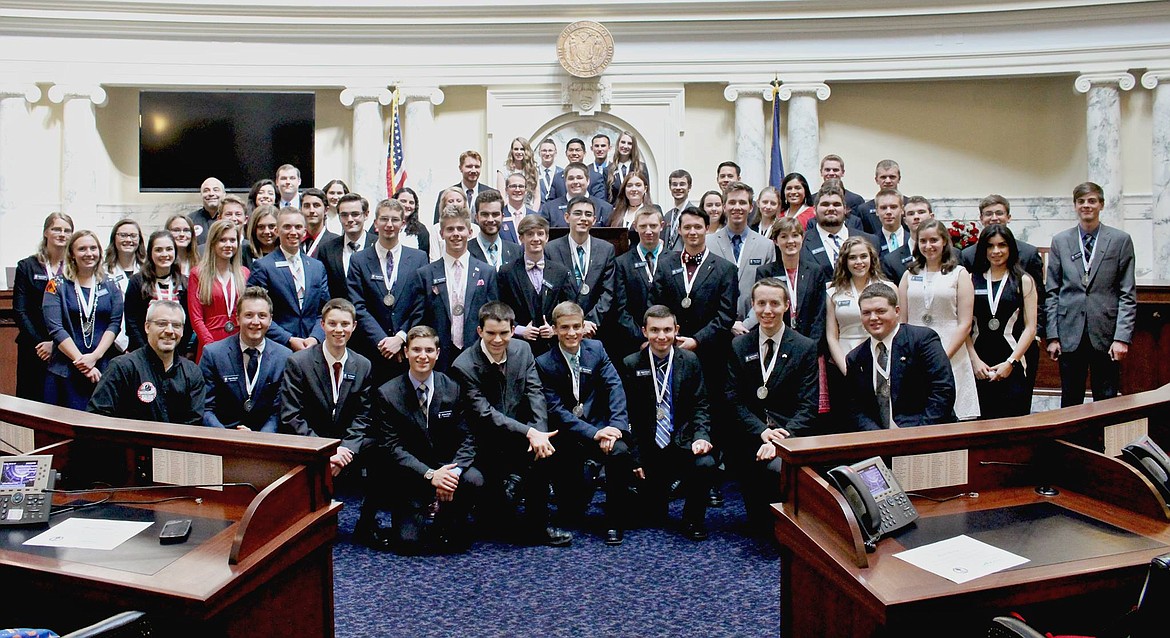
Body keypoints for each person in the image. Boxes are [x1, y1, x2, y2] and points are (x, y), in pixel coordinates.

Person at [449, 301, 572, 547]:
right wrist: (530, 432)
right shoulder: (463, 366)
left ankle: (539, 526)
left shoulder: (523, 350)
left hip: (519, 438)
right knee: (497, 522)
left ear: (513, 329)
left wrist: (540, 434)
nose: (498, 339)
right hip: (484, 445)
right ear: (480, 332)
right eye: (491, 333)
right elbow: (484, 414)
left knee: (545, 453)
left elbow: (535, 392)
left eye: (504, 333)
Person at [370, 325, 482, 554]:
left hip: (447, 470)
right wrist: (431, 475)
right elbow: (392, 447)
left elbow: (468, 439)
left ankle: (448, 517)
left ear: (438, 353)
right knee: (408, 543)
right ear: (406, 352)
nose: (423, 356)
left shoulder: (453, 388)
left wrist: (452, 474)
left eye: (429, 350)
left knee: (474, 479)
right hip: (412, 475)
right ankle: (420, 512)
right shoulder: (387, 394)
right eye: (417, 349)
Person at [536, 302, 633, 545]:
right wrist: (595, 433)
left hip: (602, 429)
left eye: (576, 327)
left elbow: (615, 387)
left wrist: (616, 429)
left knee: (619, 452)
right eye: (565, 327)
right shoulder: (544, 363)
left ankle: (614, 521)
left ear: (584, 327)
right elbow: (556, 411)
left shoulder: (597, 349)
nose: (571, 333)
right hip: (568, 434)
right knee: (571, 513)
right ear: (556, 330)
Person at [726, 278, 818, 528]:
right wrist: (762, 432)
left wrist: (780, 439)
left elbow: (808, 406)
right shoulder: (739, 345)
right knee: (756, 521)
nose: (768, 310)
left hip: (790, 434)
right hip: (751, 431)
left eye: (775, 303)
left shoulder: (804, 347)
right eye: (762, 303)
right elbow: (733, 399)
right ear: (753, 306)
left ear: (787, 305)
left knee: (777, 470)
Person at [621, 305, 715, 540]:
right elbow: (627, 414)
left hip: (681, 441)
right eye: (654, 330)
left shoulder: (690, 360)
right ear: (644, 331)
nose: (661, 336)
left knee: (705, 463)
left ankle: (693, 520)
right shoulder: (631, 363)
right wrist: (635, 457)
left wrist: (701, 436)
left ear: (676, 330)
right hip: (648, 446)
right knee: (652, 514)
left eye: (666, 330)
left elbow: (701, 405)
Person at [1045, 181, 1136, 407]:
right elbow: (1052, 291)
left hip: (1105, 333)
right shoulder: (1061, 241)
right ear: (1075, 206)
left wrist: (1121, 338)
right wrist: (1053, 336)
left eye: (1092, 201)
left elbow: (1127, 293)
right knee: (1070, 399)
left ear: (1101, 205)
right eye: (1081, 201)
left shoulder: (1119, 240)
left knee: (1106, 399)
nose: (1087, 206)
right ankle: (1070, 442)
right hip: (1069, 333)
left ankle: (1105, 442)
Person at [280, 298, 374, 479]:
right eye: (332, 323)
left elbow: (363, 416)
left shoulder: (363, 365)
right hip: (310, 445)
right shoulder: (299, 363)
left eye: (345, 324)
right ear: (322, 325)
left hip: (346, 449)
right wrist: (327, 453)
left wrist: (345, 449)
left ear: (354, 326)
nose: (339, 330)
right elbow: (291, 416)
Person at [899, 219, 979, 420]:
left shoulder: (959, 274)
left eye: (933, 240)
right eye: (923, 241)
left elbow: (965, 323)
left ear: (944, 241)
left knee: (955, 413)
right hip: (917, 352)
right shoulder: (909, 274)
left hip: (951, 348)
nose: (928, 246)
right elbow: (903, 319)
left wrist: (942, 357)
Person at [845, 283, 956, 429]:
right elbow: (855, 408)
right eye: (866, 313)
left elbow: (943, 390)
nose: (873, 318)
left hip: (928, 435)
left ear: (897, 311)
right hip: (880, 442)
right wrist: (876, 437)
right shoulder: (856, 358)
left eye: (880, 311)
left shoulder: (922, 340)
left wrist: (920, 436)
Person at [404, 204, 499, 371]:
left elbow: (492, 318)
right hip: (438, 359)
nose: (456, 234)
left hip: (477, 356)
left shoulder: (487, 272)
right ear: (442, 233)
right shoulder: (425, 274)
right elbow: (419, 319)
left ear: (470, 232)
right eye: (450, 229)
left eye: (461, 229)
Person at [348, 199, 429, 386]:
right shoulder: (358, 260)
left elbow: (421, 305)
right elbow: (357, 306)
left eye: (395, 219)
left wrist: (401, 338)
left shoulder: (419, 258)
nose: (389, 224)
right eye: (384, 219)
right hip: (371, 351)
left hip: (407, 351)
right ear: (375, 223)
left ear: (403, 224)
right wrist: (383, 342)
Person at [87, 300, 205, 424]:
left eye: (176, 325)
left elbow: (194, 422)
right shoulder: (122, 368)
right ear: (147, 327)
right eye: (162, 324)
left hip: (176, 443)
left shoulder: (192, 373)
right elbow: (97, 415)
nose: (170, 330)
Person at [43, 231, 124, 410]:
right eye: (82, 249)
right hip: (65, 369)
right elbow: (55, 327)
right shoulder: (56, 285)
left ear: (100, 252)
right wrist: (82, 362)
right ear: (72, 254)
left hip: (103, 367)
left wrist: (94, 357)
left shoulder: (111, 284)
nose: (89, 253)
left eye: (93, 248)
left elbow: (115, 323)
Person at [969, 225, 1040, 418]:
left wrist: (1011, 362)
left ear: (1010, 248)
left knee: (1013, 422)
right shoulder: (970, 279)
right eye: (990, 246)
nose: (996, 251)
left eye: (1002, 245)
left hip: (1012, 360)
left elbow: (1031, 328)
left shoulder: (1024, 281)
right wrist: (975, 361)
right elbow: (965, 326)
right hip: (978, 363)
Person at [199, 286, 292, 432]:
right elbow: (205, 408)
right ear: (237, 318)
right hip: (222, 438)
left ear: (270, 319)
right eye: (248, 315)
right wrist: (227, 437)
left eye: (262, 316)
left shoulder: (284, 357)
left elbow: (278, 412)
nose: (255, 322)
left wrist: (258, 439)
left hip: (266, 442)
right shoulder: (213, 354)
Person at [960, 194, 1047, 339]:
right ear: (981, 219)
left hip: (1021, 335)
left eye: (999, 213)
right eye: (988, 214)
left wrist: (1036, 334)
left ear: (1009, 217)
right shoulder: (967, 255)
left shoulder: (1028, 253)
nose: (994, 218)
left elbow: (1040, 298)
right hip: (979, 336)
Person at [248, 208, 330, 351]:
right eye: (287, 227)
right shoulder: (263, 267)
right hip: (277, 346)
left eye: (298, 227)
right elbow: (254, 310)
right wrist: (288, 339)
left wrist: (315, 337)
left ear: (304, 232)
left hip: (312, 346)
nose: (293, 232)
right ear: (277, 231)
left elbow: (324, 309)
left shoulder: (317, 267)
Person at [13, 212, 73, 402]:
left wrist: (56, 345)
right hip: (34, 347)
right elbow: (20, 311)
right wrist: (41, 344)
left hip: (67, 346)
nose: (62, 234)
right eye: (56, 229)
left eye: (67, 230)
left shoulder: (75, 268)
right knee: (31, 402)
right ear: (46, 232)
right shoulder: (27, 266)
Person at [497, 214, 576, 357]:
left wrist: (555, 329)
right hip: (518, 346)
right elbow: (501, 309)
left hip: (553, 347)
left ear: (547, 237)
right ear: (521, 238)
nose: (535, 239)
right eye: (529, 234)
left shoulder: (561, 272)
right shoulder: (506, 272)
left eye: (540, 234)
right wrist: (519, 329)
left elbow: (569, 307)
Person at [544, 196, 616, 339]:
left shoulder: (606, 249)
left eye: (588, 214)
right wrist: (570, 324)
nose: (583, 218)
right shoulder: (551, 249)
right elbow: (550, 293)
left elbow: (608, 292)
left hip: (594, 329)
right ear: (567, 217)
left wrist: (588, 323)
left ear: (594, 220)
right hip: (563, 330)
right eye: (577, 213)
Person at [709, 181, 775, 336]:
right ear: (724, 207)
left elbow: (767, 291)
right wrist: (729, 322)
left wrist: (747, 323)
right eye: (732, 202)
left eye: (742, 202)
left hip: (753, 329)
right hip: (716, 329)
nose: (737, 207)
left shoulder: (766, 245)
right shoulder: (708, 243)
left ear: (751, 207)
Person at [756, 217, 832, 347]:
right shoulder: (766, 272)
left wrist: (811, 346)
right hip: (777, 342)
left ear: (802, 238)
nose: (790, 241)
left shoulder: (815, 271)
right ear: (775, 241)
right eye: (784, 236)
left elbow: (819, 315)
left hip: (811, 344)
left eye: (795, 235)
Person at [613, 208, 673, 357]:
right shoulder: (622, 263)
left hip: (669, 341)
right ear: (635, 226)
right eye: (643, 226)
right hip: (635, 344)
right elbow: (621, 309)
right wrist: (643, 338)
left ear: (662, 225)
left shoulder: (675, 260)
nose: (648, 231)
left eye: (653, 226)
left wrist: (664, 336)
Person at [124, 230, 193, 355]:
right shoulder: (137, 282)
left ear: (175, 252)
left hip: (175, 353)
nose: (164, 254)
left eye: (169, 249)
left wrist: (177, 353)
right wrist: (146, 353)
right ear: (150, 253)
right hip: (142, 353)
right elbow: (131, 322)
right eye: (158, 250)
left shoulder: (185, 283)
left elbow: (188, 324)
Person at [189, 220, 249, 361]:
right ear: (213, 243)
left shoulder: (244, 273)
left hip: (239, 342)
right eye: (222, 240)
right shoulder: (198, 274)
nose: (228, 245)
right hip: (209, 343)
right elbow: (196, 318)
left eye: (232, 240)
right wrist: (212, 346)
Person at [802, 180, 880, 273]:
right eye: (825, 204)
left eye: (836, 204)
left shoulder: (871, 241)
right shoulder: (801, 243)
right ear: (814, 209)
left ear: (845, 209)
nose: (831, 208)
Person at [317, 193, 375, 300]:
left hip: (372, 314)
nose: (350, 219)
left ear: (366, 215)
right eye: (344, 215)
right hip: (339, 312)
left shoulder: (378, 246)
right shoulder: (327, 250)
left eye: (355, 214)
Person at [104, 219, 144, 353]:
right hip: (110, 342)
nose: (128, 239)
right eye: (123, 235)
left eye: (133, 236)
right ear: (114, 238)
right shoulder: (103, 272)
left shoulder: (147, 271)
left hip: (141, 341)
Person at [537, 162, 614, 228]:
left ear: (588, 181)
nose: (575, 182)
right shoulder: (549, 209)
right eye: (571, 178)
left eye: (579, 178)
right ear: (565, 182)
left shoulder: (605, 209)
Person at [431, 150, 499, 224]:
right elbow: (438, 224)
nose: (473, 170)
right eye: (469, 166)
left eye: (477, 167)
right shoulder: (447, 194)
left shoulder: (493, 194)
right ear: (460, 168)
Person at [881, 195, 936, 283]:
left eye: (921, 212)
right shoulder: (892, 260)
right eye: (911, 214)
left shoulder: (954, 254)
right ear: (905, 221)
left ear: (931, 217)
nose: (916, 217)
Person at [468, 189, 523, 270]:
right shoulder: (466, 250)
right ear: (476, 217)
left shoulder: (517, 251)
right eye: (485, 214)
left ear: (502, 217)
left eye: (495, 214)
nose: (490, 219)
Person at [851, 160, 905, 235]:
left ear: (899, 179)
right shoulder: (864, 210)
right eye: (883, 177)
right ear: (876, 180)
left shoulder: (909, 205)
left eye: (892, 177)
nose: (888, 181)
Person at [605, 131, 650, 205]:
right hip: (616, 211)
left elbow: (647, 193)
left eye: (629, 143)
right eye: (623, 142)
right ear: (618, 144)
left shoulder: (641, 167)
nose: (625, 146)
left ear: (633, 147)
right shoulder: (608, 170)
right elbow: (607, 198)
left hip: (637, 210)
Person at [496, 136, 538, 209]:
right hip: (509, 209)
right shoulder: (503, 171)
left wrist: (533, 214)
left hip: (528, 211)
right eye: (516, 149)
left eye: (522, 149)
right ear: (512, 151)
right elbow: (502, 197)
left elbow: (537, 197)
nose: (519, 152)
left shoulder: (533, 170)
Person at [871, 189, 910, 261]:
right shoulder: (870, 243)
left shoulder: (913, 239)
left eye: (893, 207)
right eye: (883, 208)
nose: (888, 212)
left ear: (902, 209)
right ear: (876, 211)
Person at [300, 188, 337, 259]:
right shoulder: (295, 241)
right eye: (306, 206)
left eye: (316, 205)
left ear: (326, 210)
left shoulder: (336, 242)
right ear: (301, 210)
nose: (311, 210)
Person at [500, 171, 537, 244]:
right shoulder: (499, 216)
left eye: (521, 186)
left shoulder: (535, 216)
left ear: (526, 190)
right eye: (513, 186)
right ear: (506, 190)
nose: (517, 190)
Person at [393, 187, 431, 255]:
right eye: (403, 201)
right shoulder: (383, 223)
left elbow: (425, 257)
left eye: (411, 202)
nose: (407, 205)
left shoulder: (421, 229)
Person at [663, 169, 693, 252]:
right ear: (670, 187)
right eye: (674, 184)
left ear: (689, 187)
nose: (678, 188)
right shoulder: (667, 216)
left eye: (682, 184)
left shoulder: (694, 214)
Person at [191, 177, 224, 246]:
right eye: (206, 191)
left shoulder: (231, 218)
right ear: (201, 195)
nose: (211, 193)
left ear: (224, 194)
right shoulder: (190, 220)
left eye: (216, 190)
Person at [536, 137, 564, 206]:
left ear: (555, 152)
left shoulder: (563, 173)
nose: (547, 153)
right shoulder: (533, 172)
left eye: (550, 150)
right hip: (538, 213)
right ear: (539, 153)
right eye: (544, 150)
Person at [587, 133, 611, 201]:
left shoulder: (616, 169)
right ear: (592, 148)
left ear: (609, 148)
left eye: (603, 146)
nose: (600, 149)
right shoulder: (586, 170)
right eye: (596, 146)